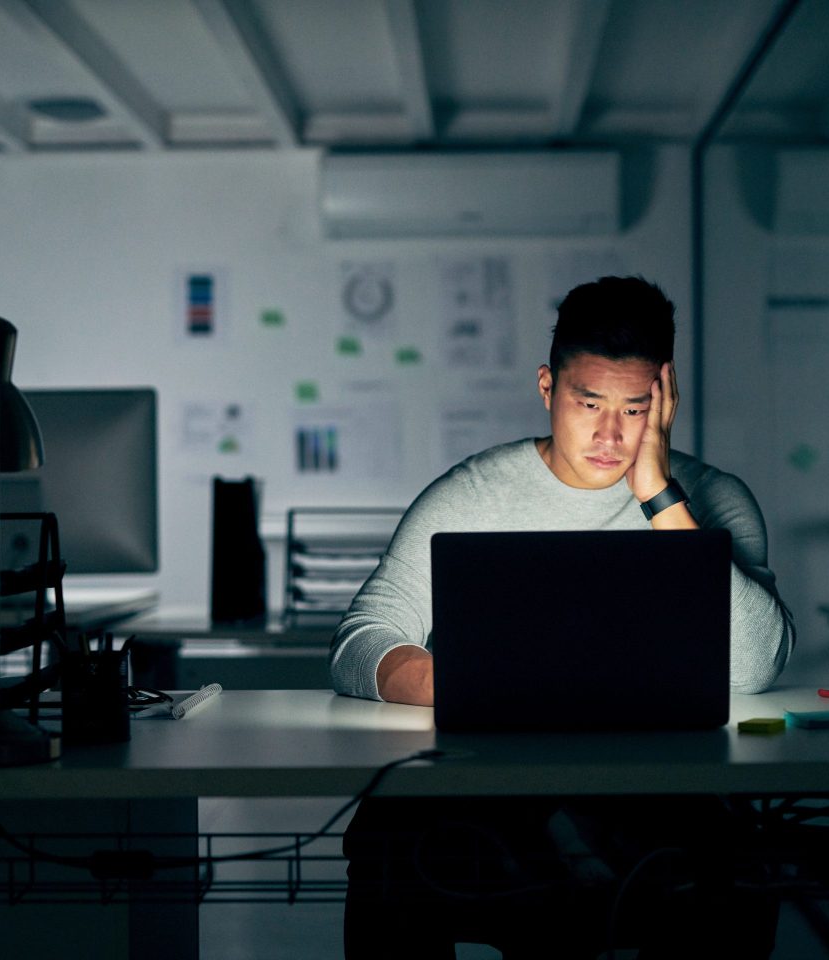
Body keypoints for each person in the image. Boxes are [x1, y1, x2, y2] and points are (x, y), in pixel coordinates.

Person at [330, 275, 794, 958]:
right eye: (588, 403)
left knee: (733, 867)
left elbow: (756, 665)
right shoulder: (472, 496)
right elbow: (360, 643)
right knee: (392, 836)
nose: (610, 434)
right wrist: (463, 685)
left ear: (663, 401)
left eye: (635, 409)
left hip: (657, 787)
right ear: (547, 388)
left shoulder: (712, 503)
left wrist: (659, 498)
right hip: (499, 788)